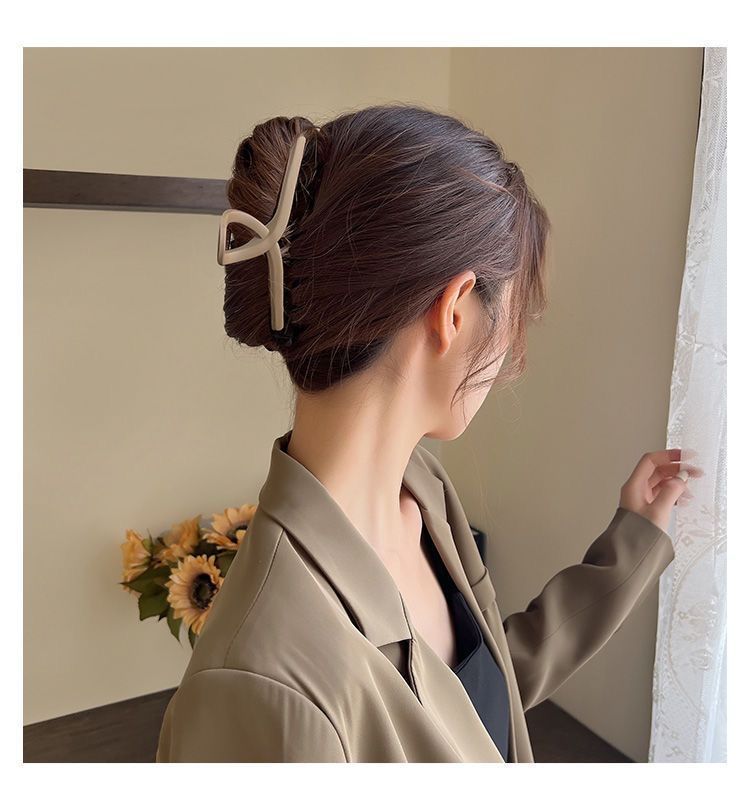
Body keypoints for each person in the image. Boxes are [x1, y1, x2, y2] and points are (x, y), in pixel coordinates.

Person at [156, 105, 698, 763]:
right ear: (456, 310)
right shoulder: (260, 687)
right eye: (511, 317)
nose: (509, 360)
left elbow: (471, 705)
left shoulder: (422, 490)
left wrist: (632, 541)